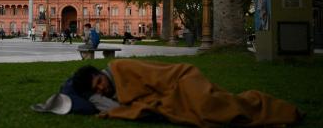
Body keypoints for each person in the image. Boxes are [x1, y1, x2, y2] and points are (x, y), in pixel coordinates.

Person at [65, 59, 303, 127]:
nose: (101, 88)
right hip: (172, 93)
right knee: (201, 112)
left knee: (207, 106)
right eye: (96, 89)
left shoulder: (121, 68)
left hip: (183, 78)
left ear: (100, 72)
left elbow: (159, 77)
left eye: (98, 81)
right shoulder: (110, 90)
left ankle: (264, 106)